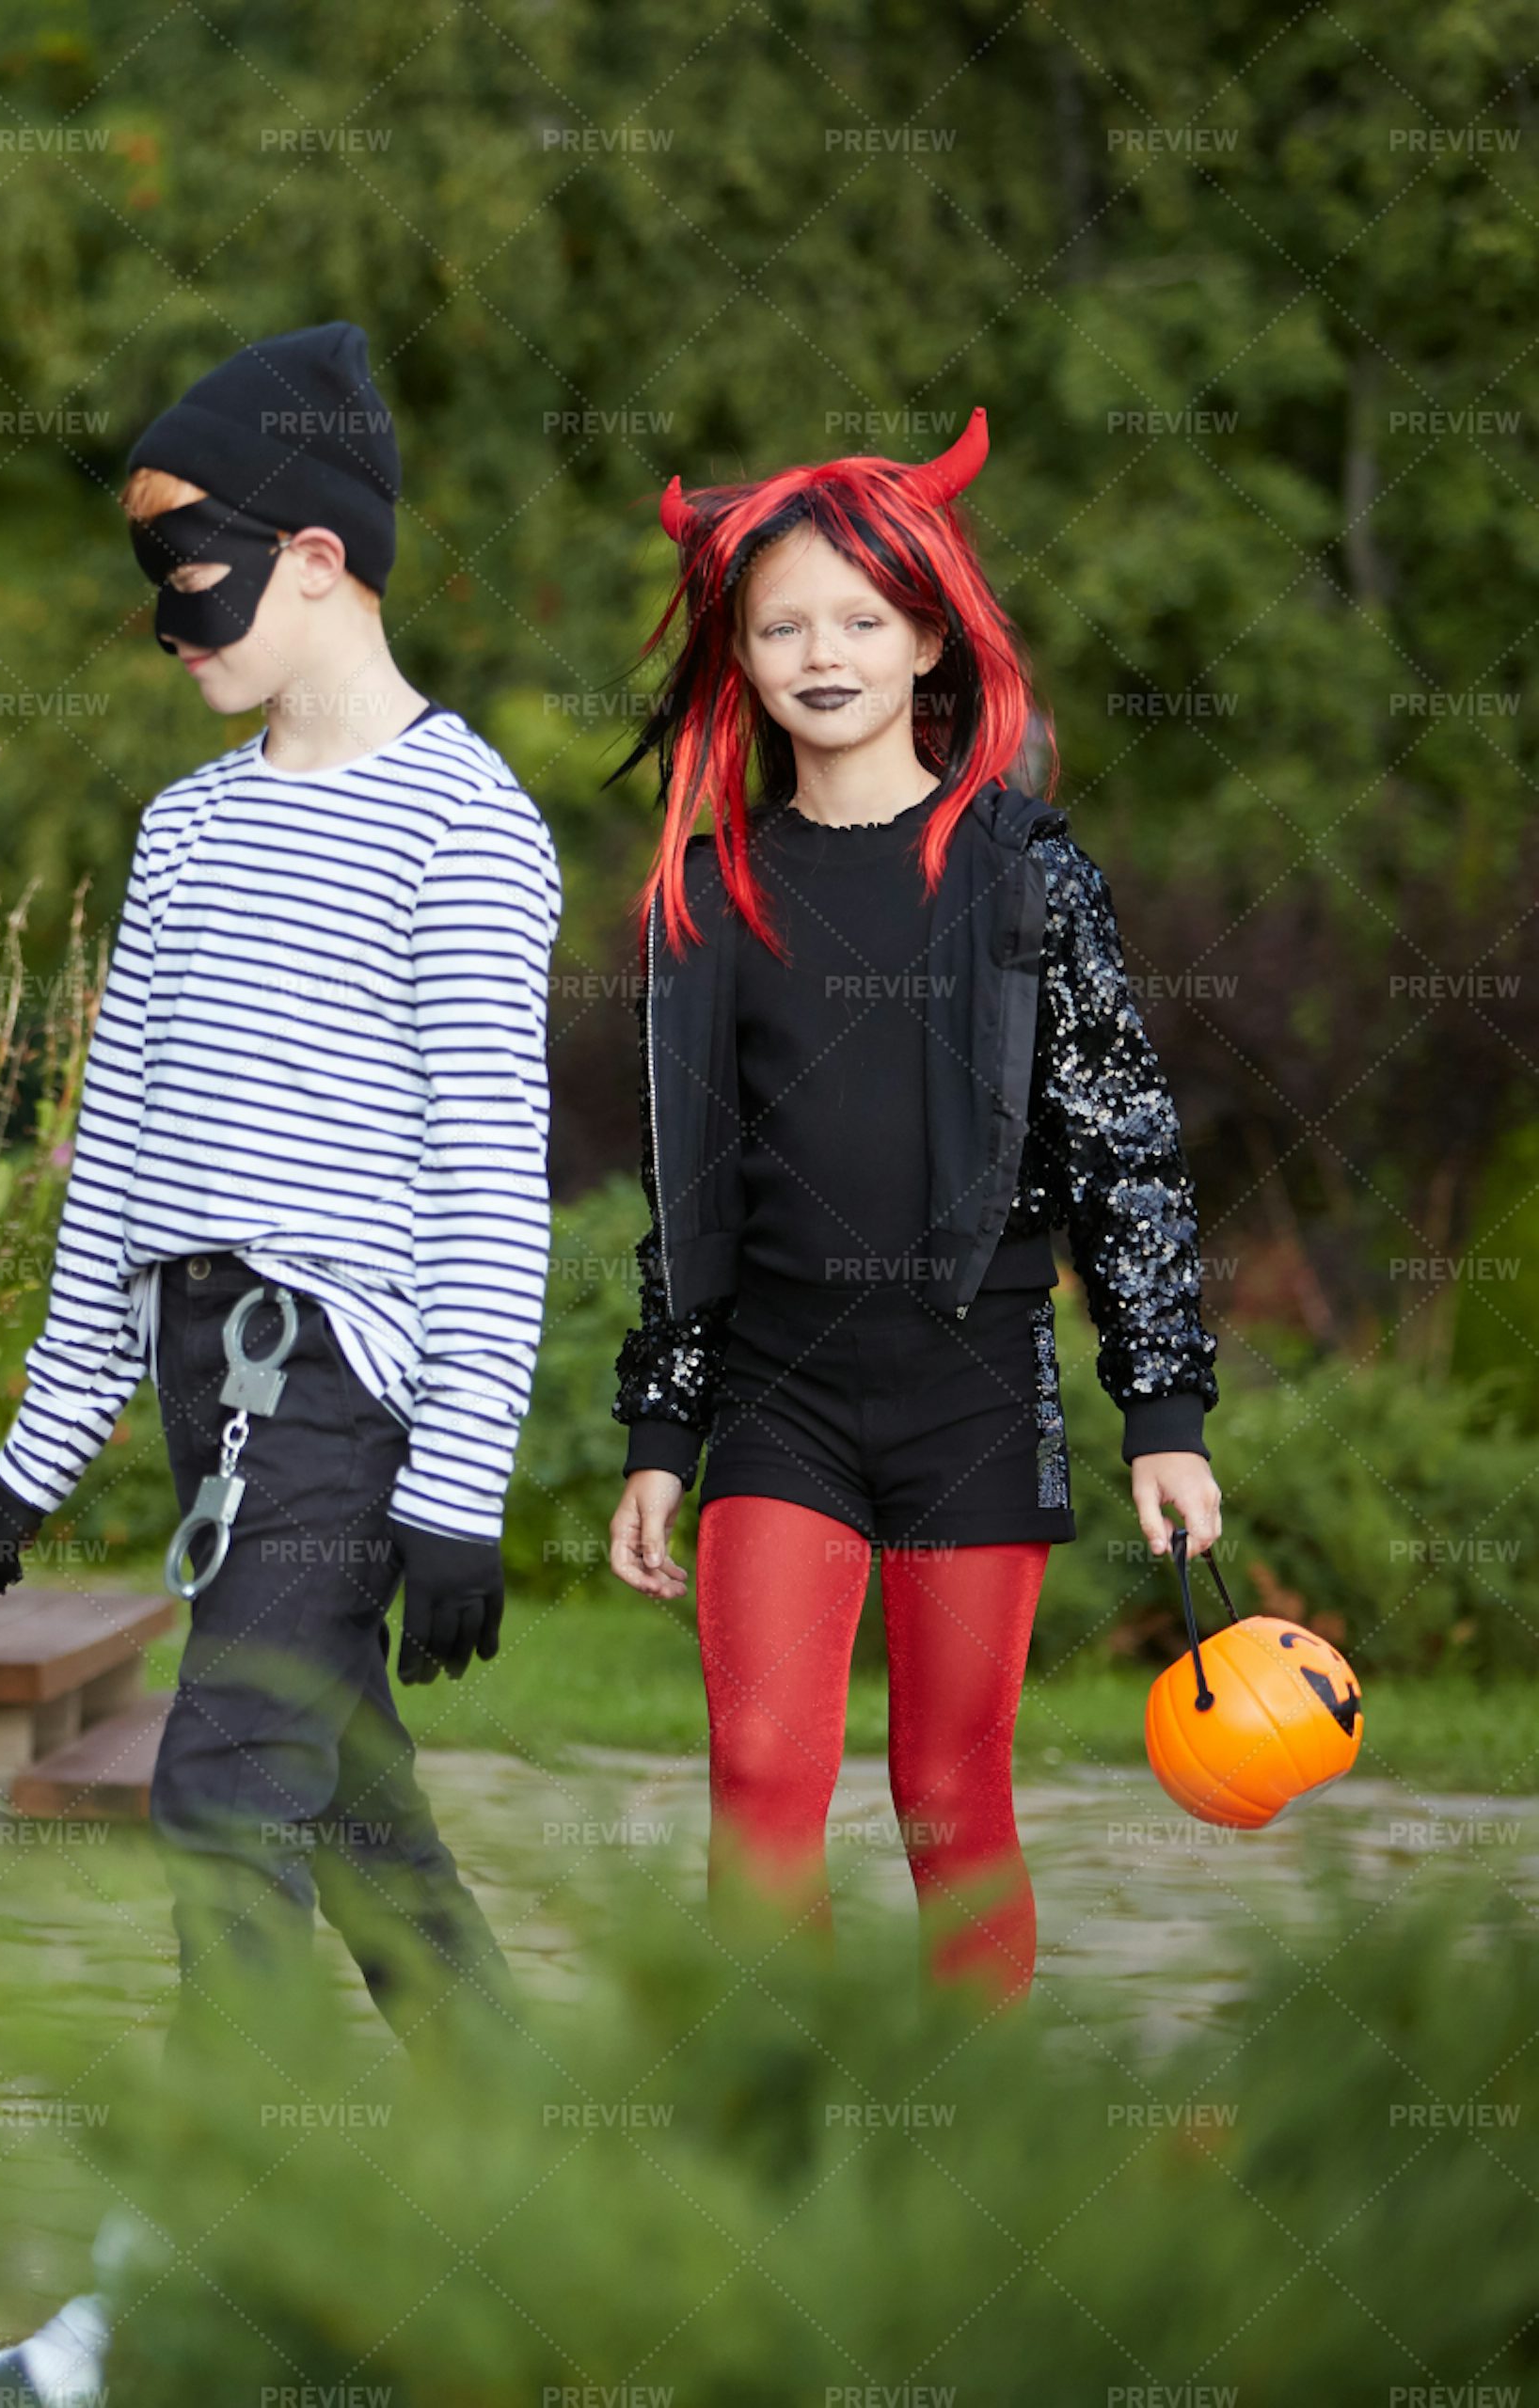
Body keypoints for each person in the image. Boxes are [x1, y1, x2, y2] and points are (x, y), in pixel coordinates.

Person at [0, 323, 559, 2050]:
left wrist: (463, 1484)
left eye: (195, 582)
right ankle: (541, 2165)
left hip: (334, 1388)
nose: (168, 626)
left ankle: (215, 2270)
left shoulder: (465, 827)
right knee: (349, 1804)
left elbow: (489, 1180)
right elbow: (118, 1177)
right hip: (202, 1372)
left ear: (314, 561)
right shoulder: (183, 832)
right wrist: (20, 1479)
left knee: (225, 1790)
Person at [602, 411, 1226, 2003]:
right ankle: (785, 2149)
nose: (825, 650)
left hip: (969, 1390)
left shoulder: (1022, 870)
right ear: (739, 655)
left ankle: (970, 2172)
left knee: (951, 1799)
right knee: (757, 1781)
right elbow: (689, 1194)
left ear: (929, 634)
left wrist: (1164, 1409)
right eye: (784, 622)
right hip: (776, 1400)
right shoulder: (712, 890)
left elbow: (1121, 1141)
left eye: (861, 620)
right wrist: (664, 1439)